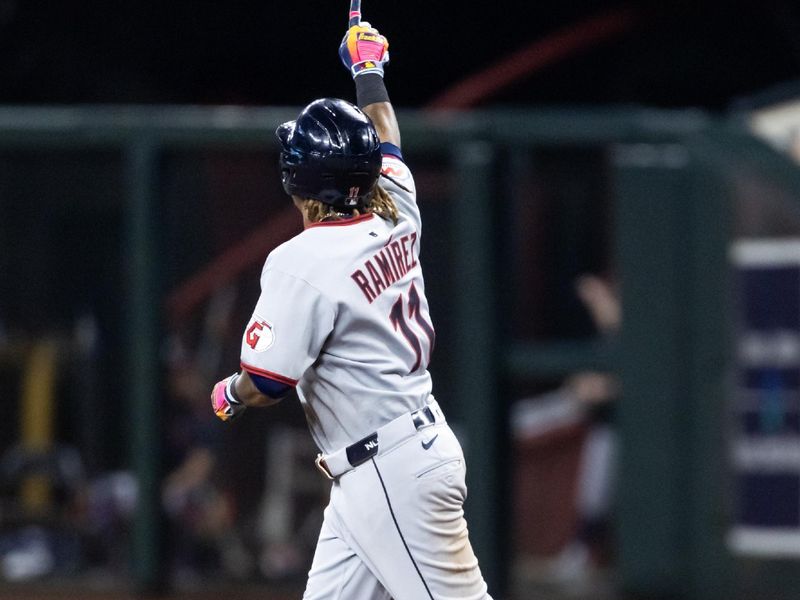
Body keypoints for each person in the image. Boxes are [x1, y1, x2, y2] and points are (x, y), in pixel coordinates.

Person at [210, 18, 493, 600]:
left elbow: (266, 381)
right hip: (385, 459)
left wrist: (228, 395)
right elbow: (387, 134)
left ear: (298, 181)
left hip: (390, 470)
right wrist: (369, 72)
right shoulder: (397, 204)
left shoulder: (303, 260)